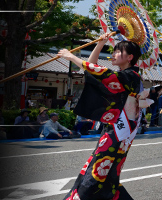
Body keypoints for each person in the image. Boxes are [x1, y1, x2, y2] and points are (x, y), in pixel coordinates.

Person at [57, 32, 146, 200]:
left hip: (119, 130)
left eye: (118, 51)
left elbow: (98, 71)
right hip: (117, 128)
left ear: (130, 57)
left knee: (100, 167)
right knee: (107, 169)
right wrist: (100, 44)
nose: (113, 54)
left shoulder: (131, 76)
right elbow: (92, 67)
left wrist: (71, 57)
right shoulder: (125, 76)